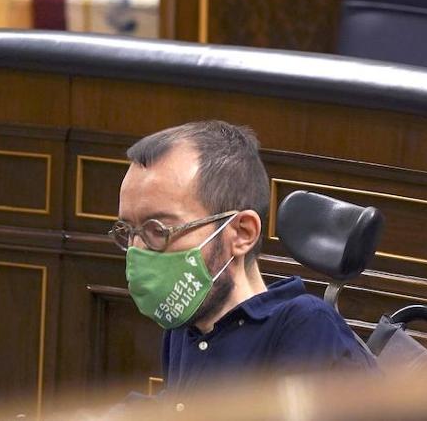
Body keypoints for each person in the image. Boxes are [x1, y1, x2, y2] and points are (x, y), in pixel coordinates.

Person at [112, 120, 376, 400]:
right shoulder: (185, 325)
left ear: (241, 233)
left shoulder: (304, 328)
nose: (137, 250)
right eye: (128, 231)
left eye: (158, 230)